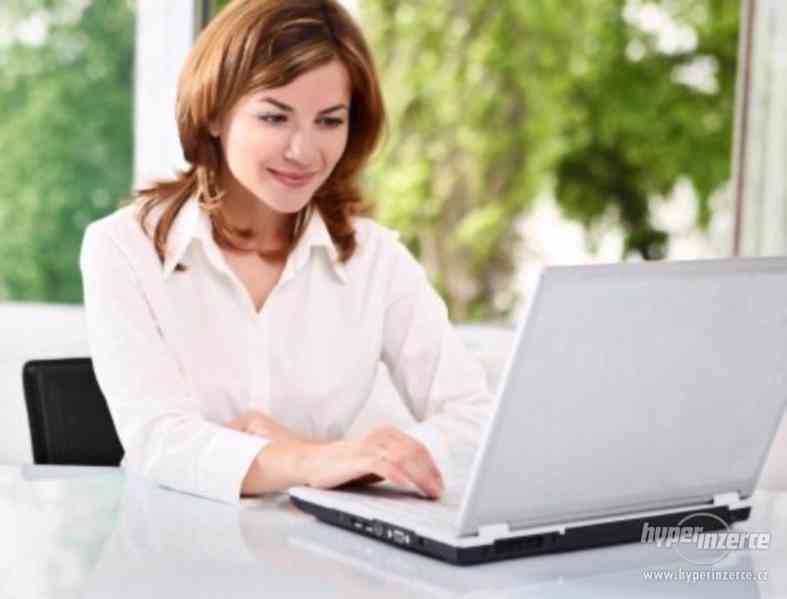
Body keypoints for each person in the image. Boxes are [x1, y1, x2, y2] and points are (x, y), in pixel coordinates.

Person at [79, 0, 492, 505]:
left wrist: (340, 459)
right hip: (174, 542)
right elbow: (159, 441)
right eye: (275, 117)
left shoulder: (375, 259)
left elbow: (475, 419)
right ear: (214, 113)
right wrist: (318, 461)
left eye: (329, 121)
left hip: (320, 547)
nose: (303, 151)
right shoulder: (122, 248)